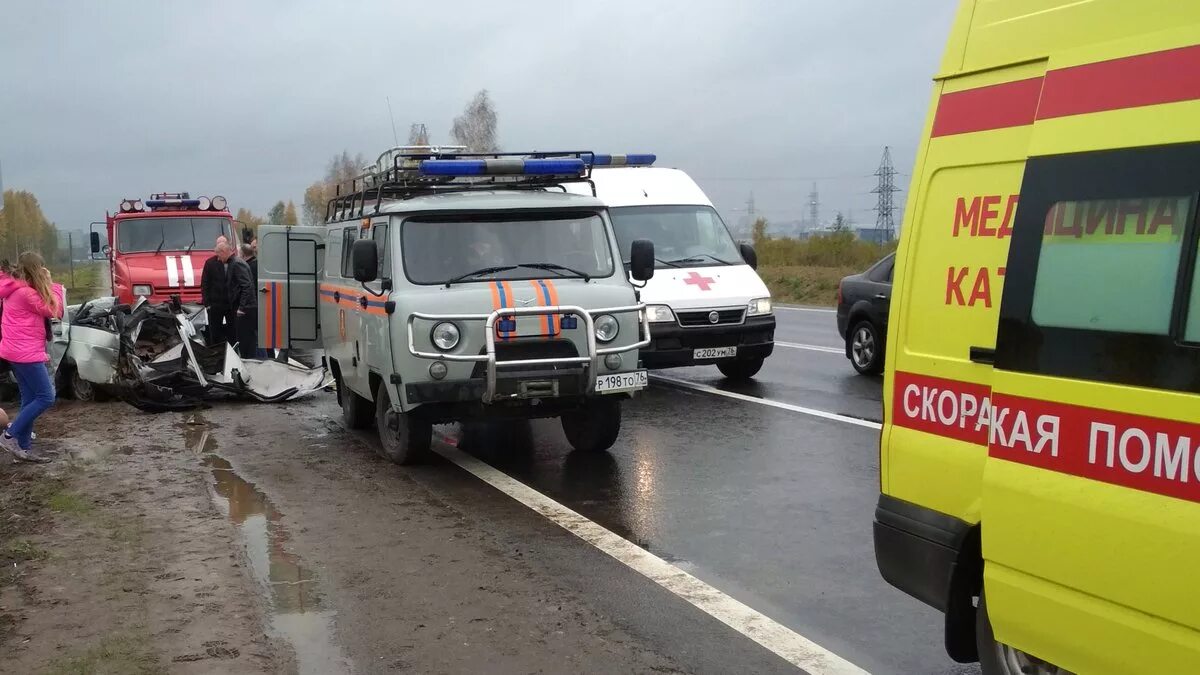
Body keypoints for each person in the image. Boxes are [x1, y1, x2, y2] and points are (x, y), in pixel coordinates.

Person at [0, 252, 64, 463]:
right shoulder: (26, 294)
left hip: (15, 350)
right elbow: (55, 310)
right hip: (25, 353)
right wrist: (53, 285)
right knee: (46, 397)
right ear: (37, 270)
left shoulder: (15, 290)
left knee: (29, 399)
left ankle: (23, 448)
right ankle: (10, 436)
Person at [218, 241, 258, 359]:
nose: (218, 259)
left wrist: (241, 307)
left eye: (219, 255)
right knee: (245, 340)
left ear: (224, 252)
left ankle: (249, 365)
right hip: (244, 308)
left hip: (245, 310)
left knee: (246, 341)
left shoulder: (236, 264)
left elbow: (247, 286)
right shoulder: (235, 262)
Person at [201, 235, 231, 345]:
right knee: (215, 331)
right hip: (215, 304)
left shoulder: (234, 262)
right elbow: (205, 284)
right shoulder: (210, 263)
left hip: (230, 304)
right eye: (218, 245)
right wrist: (207, 303)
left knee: (233, 331)